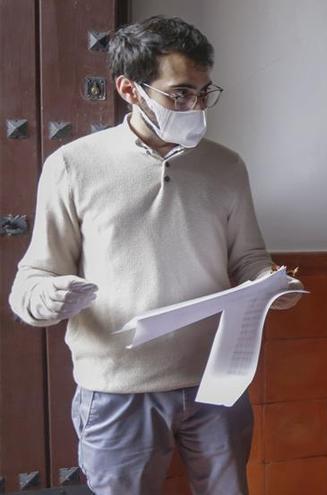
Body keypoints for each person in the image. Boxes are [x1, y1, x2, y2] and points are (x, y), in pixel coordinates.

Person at [8, 16, 299, 495]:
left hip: (218, 380)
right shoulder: (73, 166)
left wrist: (272, 283)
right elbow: (32, 281)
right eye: (179, 93)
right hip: (118, 390)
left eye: (204, 92)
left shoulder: (226, 166)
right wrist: (50, 297)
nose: (196, 107)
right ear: (129, 89)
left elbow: (249, 257)